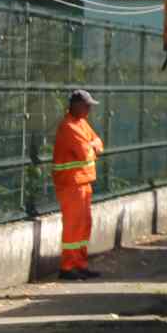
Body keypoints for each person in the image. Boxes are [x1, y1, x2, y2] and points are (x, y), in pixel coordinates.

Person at [51, 89, 104, 281]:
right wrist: (92, 146)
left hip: (83, 182)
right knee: (74, 226)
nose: (89, 109)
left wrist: (93, 146)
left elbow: (99, 144)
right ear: (75, 105)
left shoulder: (81, 123)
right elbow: (86, 153)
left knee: (83, 225)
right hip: (71, 184)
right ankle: (67, 267)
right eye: (87, 105)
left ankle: (79, 264)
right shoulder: (68, 126)